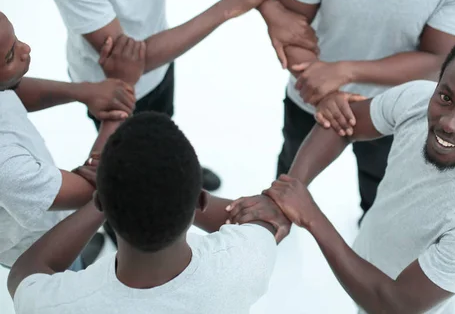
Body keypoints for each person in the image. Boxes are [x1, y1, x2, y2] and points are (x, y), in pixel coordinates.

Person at [229, 27, 455, 313]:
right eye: (445, 97)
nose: (449, 123)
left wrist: (310, 216)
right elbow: (342, 125)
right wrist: (286, 196)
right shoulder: (418, 100)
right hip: (365, 268)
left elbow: (395, 305)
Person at [38, 0, 319, 194]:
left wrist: (270, 10)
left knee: (164, 130)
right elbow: (133, 63)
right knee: (127, 171)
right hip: (108, 87)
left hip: (164, 55)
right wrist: (227, 8)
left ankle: (177, 172)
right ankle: (123, 218)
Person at [270, 0, 455, 216]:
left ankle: (370, 238)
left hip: (392, 110)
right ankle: (275, 222)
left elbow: (439, 60)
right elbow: (287, 24)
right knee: (289, 172)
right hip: (310, 96)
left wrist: (345, 71)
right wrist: (325, 95)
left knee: (381, 193)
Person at [8, 112, 280, 314]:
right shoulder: (248, 260)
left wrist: (107, 193)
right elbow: (262, 217)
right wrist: (177, 192)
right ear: (199, 199)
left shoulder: (59, 305)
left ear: (101, 204)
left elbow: (25, 271)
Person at [0, 11, 138, 269]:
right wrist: (122, 94)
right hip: (39, 251)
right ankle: (77, 265)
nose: (25, 48)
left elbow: (8, 88)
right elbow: (92, 190)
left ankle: (80, 255)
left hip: (44, 215)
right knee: (70, 280)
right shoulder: (8, 168)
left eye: (16, 39)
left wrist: (83, 91)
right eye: (10, 56)